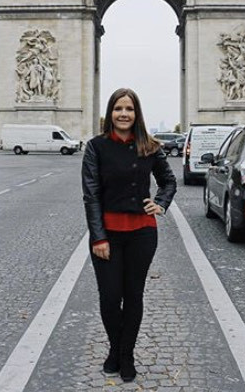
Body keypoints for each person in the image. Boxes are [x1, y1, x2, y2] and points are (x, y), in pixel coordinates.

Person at [81, 88, 177, 383]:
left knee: (133, 296)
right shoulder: (96, 147)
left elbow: (168, 181)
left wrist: (160, 203)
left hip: (141, 233)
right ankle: (115, 347)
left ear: (137, 114)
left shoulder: (150, 146)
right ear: (110, 112)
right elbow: (91, 194)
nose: (124, 114)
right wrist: (98, 238)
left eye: (129, 109)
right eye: (118, 108)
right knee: (110, 298)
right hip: (107, 234)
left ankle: (125, 354)